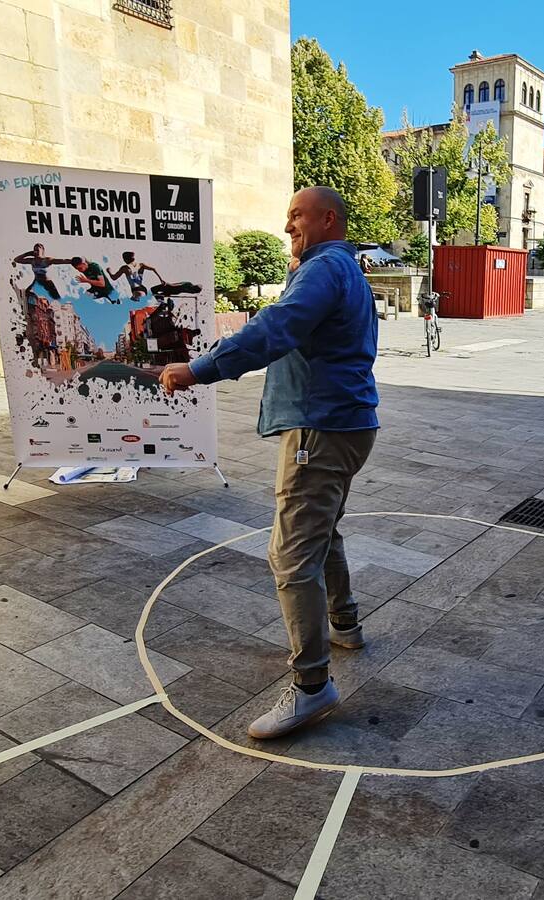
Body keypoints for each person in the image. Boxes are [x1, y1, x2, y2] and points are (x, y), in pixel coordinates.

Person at [160, 187, 379, 738]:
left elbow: (275, 329)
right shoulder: (343, 269)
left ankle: (312, 686)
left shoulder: (325, 270)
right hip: (348, 424)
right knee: (323, 532)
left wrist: (198, 369)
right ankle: (344, 623)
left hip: (321, 429)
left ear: (329, 219)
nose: (287, 228)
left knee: (290, 556)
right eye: (286, 219)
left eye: (297, 217)